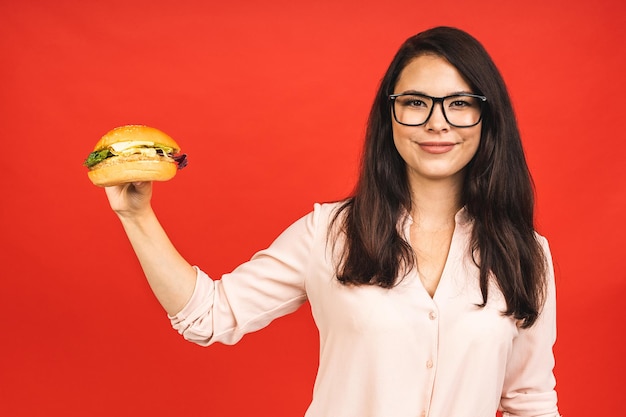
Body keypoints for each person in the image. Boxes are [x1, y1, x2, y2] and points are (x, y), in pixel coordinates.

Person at [103, 26, 561, 417]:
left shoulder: (526, 254)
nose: (437, 123)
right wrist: (136, 214)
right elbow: (208, 315)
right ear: (390, 116)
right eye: (415, 102)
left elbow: (530, 399)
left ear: (487, 117)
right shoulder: (329, 234)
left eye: (459, 103)